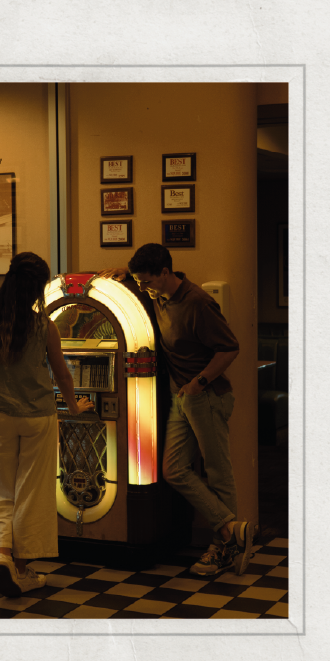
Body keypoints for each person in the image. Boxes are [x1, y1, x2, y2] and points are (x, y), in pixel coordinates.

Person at [99, 243, 253, 577]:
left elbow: (230, 348)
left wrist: (199, 382)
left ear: (165, 272)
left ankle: (222, 548)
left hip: (206, 396)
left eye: (147, 281)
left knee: (217, 471)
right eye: (139, 281)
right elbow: (139, 283)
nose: (142, 288)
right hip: (180, 397)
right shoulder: (157, 294)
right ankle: (232, 531)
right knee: (173, 469)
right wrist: (124, 274)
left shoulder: (198, 303)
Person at [0, 252, 93, 597]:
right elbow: (62, 374)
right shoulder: (44, 326)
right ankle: (20, 569)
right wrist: (74, 406)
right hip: (38, 417)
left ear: (9, 278)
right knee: (31, 493)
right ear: (38, 288)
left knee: (2, 489)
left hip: (0, 415)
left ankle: (3, 554)